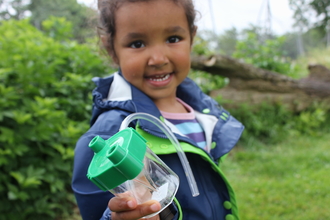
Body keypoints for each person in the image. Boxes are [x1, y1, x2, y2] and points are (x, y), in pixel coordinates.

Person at [72, 0, 244, 219]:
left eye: (173, 39)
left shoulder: (202, 113)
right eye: (137, 43)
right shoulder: (107, 137)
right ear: (111, 49)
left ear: (192, 37)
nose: (158, 59)